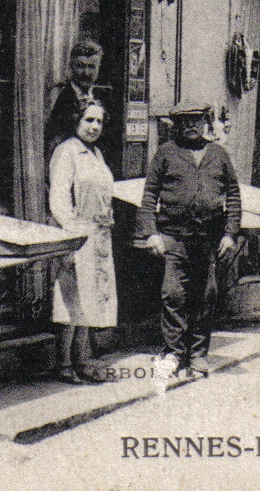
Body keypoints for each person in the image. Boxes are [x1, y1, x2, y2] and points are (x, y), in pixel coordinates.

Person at [137, 104, 241, 378]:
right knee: (174, 295)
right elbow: (148, 198)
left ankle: (198, 354)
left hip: (208, 241)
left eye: (197, 120)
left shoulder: (218, 155)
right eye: (185, 121)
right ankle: (174, 354)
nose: (191, 126)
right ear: (176, 125)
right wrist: (152, 233)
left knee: (205, 296)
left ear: (206, 122)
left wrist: (230, 234)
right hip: (174, 239)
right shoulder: (166, 154)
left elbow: (233, 195)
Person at [48, 99, 118, 384]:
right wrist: (69, 239)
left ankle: (83, 359)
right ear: (76, 121)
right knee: (70, 300)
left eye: (99, 121)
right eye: (89, 120)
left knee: (88, 299)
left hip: (98, 236)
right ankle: (64, 363)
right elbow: (59, 200)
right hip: (76, 234)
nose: (94, 126)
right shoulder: (66, 152)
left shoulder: (97, 154)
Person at [46, 38, 104, 154]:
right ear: (71, 67)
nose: (86, 73)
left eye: (91, 66)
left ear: (98, 68)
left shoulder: (103, 98)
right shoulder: (61, 98)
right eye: (81, 66)